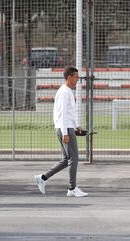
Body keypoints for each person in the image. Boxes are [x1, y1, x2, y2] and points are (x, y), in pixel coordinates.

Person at [34, 67, 88, 197]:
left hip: (65, 127)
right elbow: (63, 114)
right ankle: (72, 188)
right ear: (69, 77)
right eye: (76, 77)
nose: (77, 80)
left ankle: (42, 178)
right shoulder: (65, 92)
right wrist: (65, 132)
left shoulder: (66, 91)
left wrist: (77, 126)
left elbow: (69, 113)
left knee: (66, 160)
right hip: (64, 129)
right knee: (74, 158)